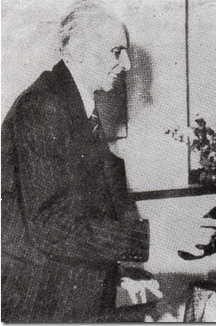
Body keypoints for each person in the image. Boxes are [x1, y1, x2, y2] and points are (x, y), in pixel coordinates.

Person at [1, 1, 160, 322]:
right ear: (78, 52)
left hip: (68, 286)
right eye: (117, 52)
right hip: (44, 294)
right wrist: (141, 240)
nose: (127, 64)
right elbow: (51, 227)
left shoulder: (73, 101)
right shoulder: (45, 106)